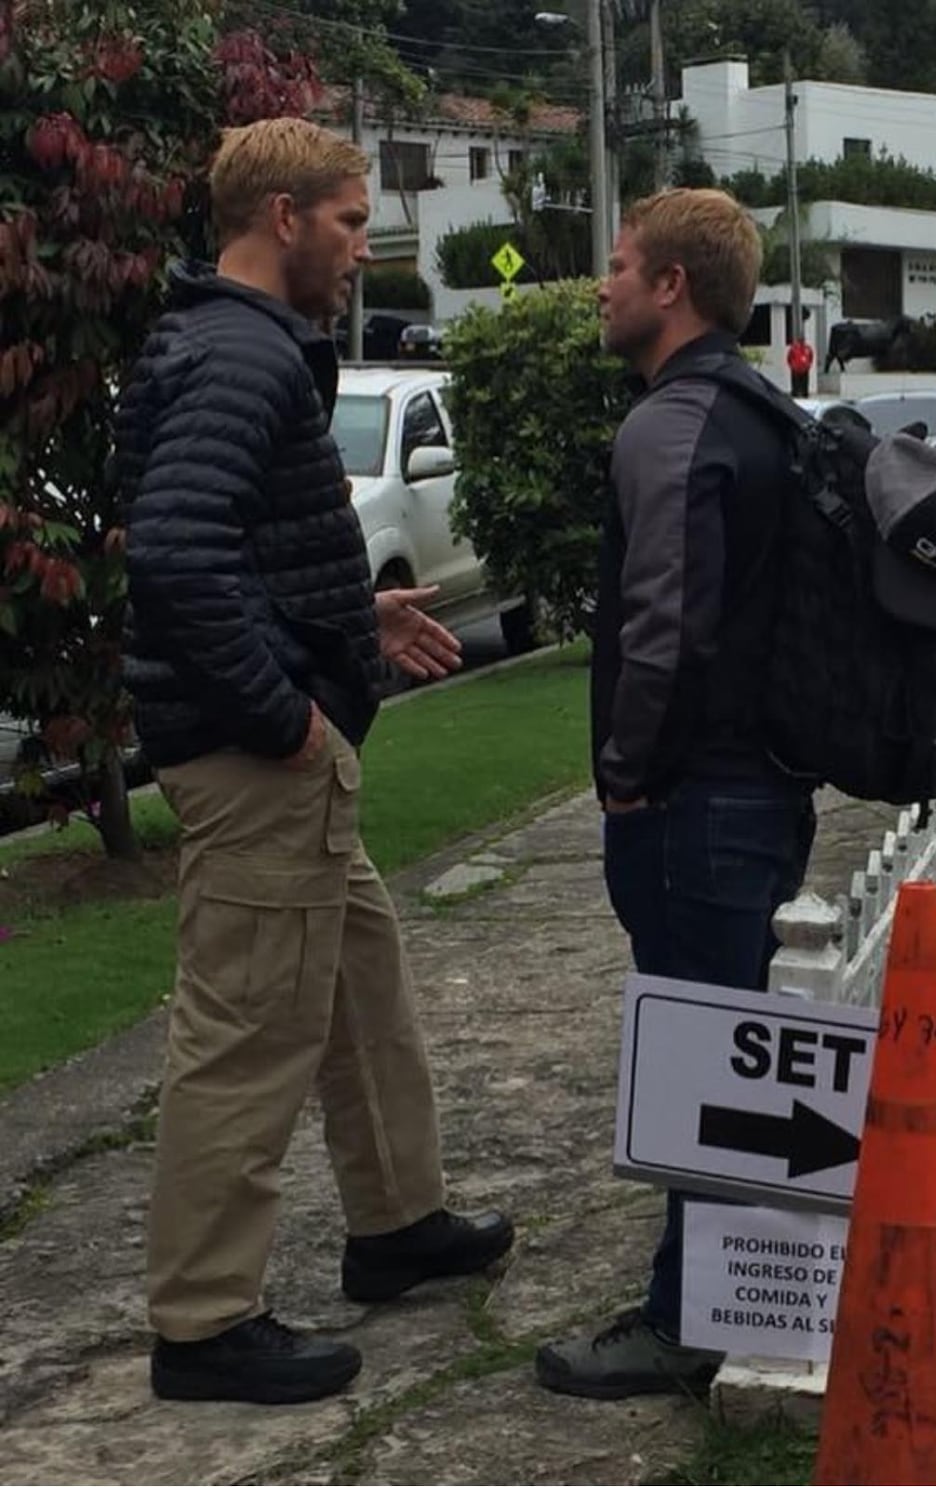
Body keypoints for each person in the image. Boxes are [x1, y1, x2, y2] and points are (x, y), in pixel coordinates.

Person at [118, 117, 513, 1407]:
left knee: (362, 986)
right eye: (349, 222)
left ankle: (398, 1223)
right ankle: (203, 1322)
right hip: (256, 756)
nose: (360, 248)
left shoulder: (233, 340)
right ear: (283, 217)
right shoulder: (242, 353)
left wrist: (354, 617)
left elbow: (235, 542)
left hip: (274, 740)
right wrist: (281, 710)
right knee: (245, 1030)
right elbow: (174, 553)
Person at [533, 189, 817, 1401]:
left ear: (671, 287)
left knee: (702, 1067)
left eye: (617, 266)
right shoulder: (767, 412)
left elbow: (665, 633)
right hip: (770, 786)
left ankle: (682, 1320)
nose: (600, 287)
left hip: (693, 800)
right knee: (732, 1052)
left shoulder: (671, 424)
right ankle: (725, 1290)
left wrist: (627, 780)